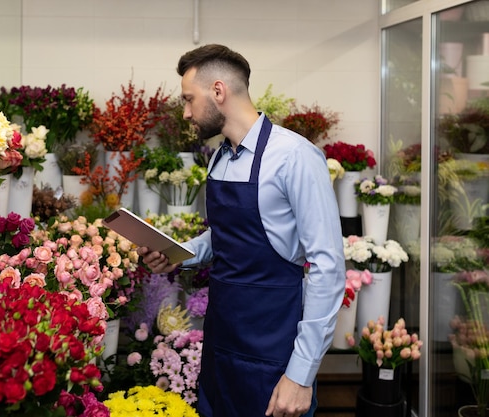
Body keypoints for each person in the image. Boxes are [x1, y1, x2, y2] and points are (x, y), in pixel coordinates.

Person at [137, 44, 345, 417]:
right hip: (221, 348)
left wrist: (300, 376)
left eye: (188, 100)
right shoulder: (220, 157)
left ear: (218, 91)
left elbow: (328, 269)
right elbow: (225, 236)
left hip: (274, 353)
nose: (185, 113)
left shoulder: (295, 157)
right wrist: (176, 255)